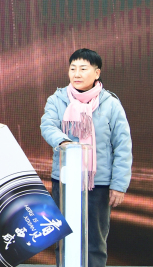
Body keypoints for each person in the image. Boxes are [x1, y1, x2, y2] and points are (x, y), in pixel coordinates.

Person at [41, 48, 132, 267]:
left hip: (98, 183)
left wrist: (119, 185)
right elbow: (47, 125)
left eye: (83, 69)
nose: (77, 74)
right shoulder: (57, 99)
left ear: (97, 73)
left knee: (95, 241)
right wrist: (64, 142)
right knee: (64, 237)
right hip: (65, 181)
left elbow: (122, 145)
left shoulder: (110, 103)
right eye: (73, 68)